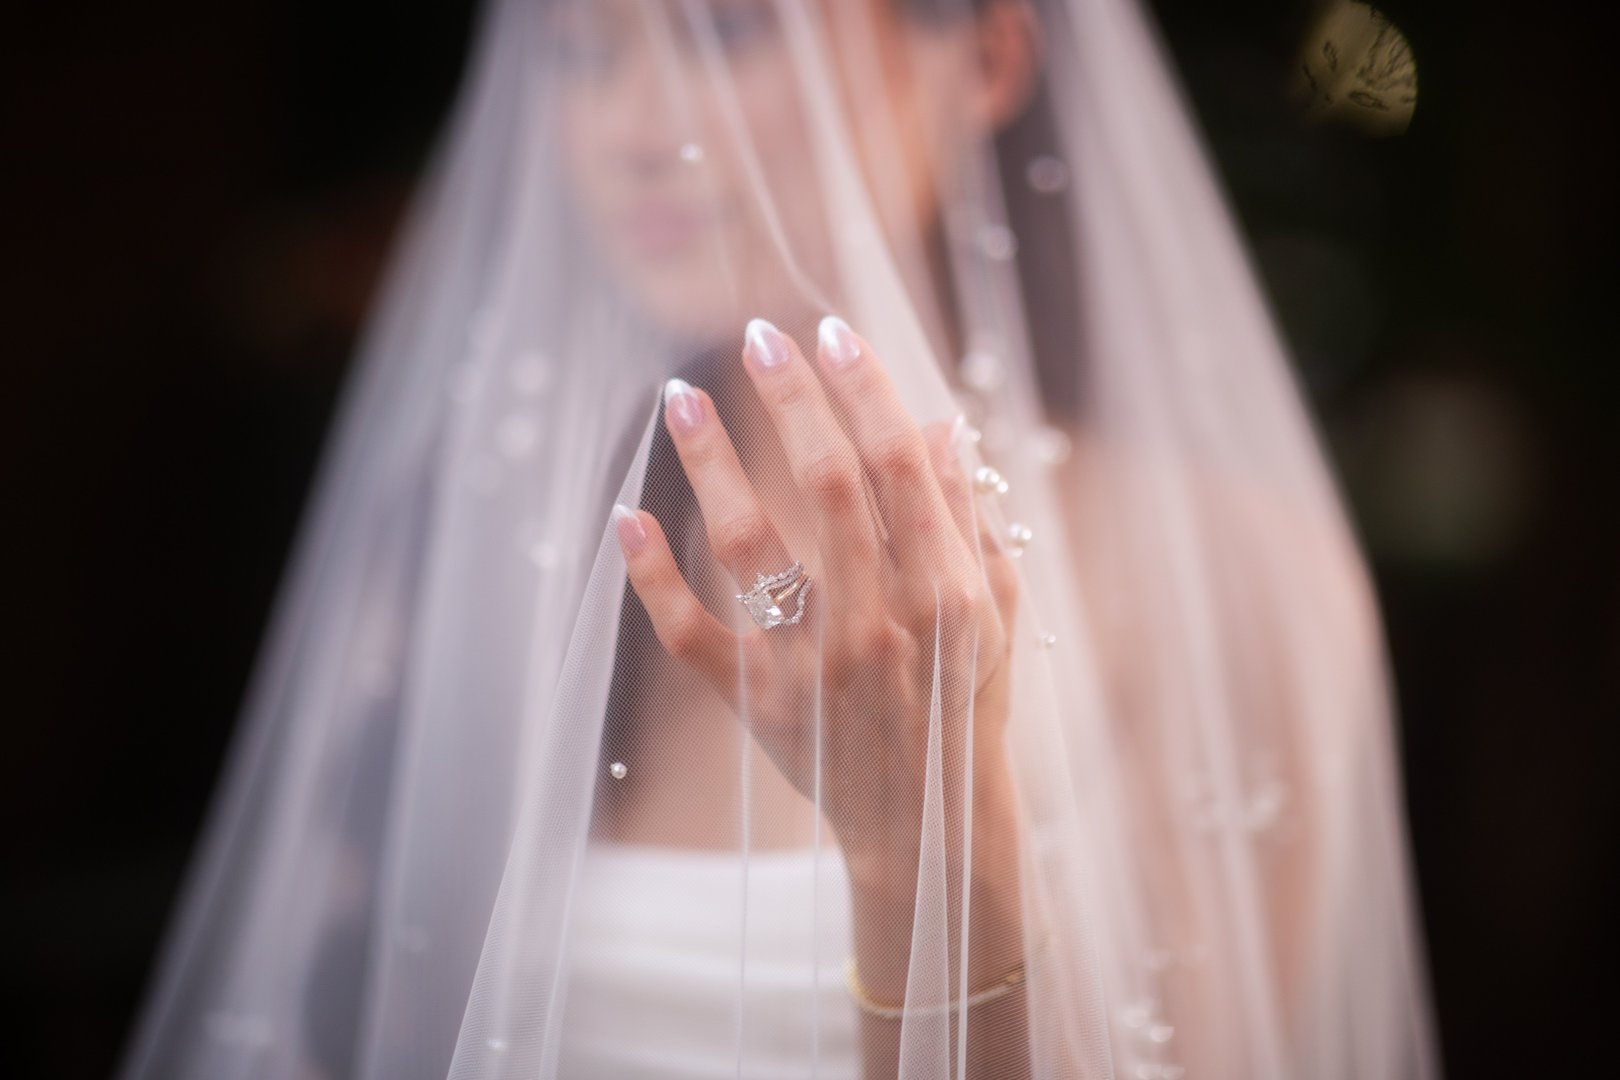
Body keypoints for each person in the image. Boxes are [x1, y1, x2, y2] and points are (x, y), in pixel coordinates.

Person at [120, 2, 1439, 1078]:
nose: (634, 130)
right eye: (582, 57)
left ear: (984, 54)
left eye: (728, 33)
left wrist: (918, 843)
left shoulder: (1225, 573)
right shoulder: (526, 551)